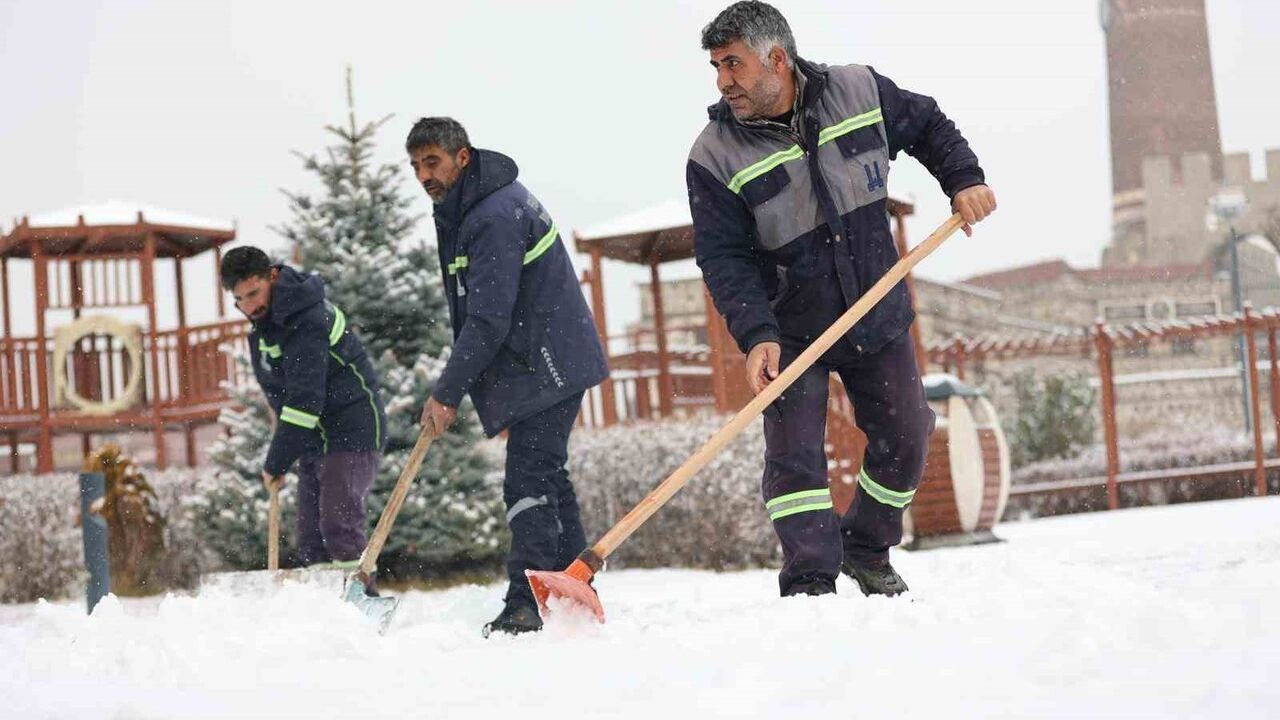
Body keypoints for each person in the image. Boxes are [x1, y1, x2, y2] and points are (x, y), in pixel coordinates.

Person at [686, 1, 997, 598]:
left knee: (907, 434)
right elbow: (723, 257)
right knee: (797, 463)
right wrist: (756, 335)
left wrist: (964, 178)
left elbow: (929, 124)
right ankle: (810, 583)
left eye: (733, 64)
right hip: (790, 329)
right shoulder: (714, 154)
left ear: (776, 58)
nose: (724, 81)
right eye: (717, 67)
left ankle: (867, 547)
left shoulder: (858, 90)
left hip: (873, 307)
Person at [405, 117, 609, 636]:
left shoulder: (491, 213)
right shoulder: (468, 206)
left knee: (528, 481)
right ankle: (570, 587)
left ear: (463, 156)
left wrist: (446, 393)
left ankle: (527, 601)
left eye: (432, 162)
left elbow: (488, 318)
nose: (423, 175)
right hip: (544, 358)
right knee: (547, 475)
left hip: (546, 361)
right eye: (415, 166)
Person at [221, 246, 387, 587]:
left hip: (351, 429)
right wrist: (285, 448)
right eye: (240, 299)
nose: (249, 306)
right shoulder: (264, 328)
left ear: (273, 276)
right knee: (312, 541)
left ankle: (361, 611)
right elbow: (281, 397)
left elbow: (305, 401)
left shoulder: (307, 317)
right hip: (314, 437)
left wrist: (276, 461)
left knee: (338, 528)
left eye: (254, 293)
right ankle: (324, 618)